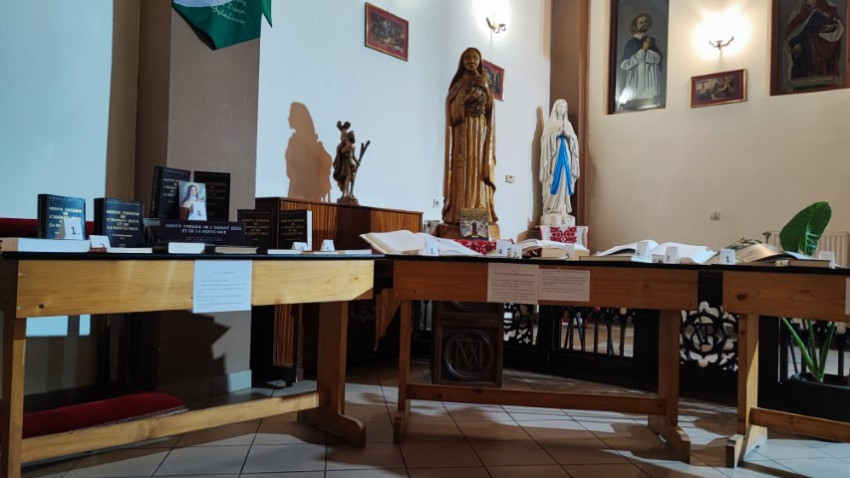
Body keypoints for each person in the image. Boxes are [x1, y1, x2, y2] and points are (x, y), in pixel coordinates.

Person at [442, 47, 498, 229]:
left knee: (478, 171)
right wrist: (465, 100)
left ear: (479, 61)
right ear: (462, 61)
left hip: (480, 132)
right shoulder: (458, 84)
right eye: (467, 58)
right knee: (462, 171)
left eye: (474, 58)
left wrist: (485, 92)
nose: (471, 61)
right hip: (462, 132)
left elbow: (490, 109)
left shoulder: (484, 81)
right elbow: (451, 109)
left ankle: (476, 220)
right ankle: (457, 216)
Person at [784, 0, 845, 86]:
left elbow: (838, 25)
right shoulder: (799, 9)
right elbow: (792, 31)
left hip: (823, 43)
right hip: (804, 48)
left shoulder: (827, 6)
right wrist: (795, 42)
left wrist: (832, 27)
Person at [539, 99, 580, 225]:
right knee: (554, 176)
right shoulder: (550, 124)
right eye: (560, 106)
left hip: (565, 153)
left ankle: (563, 206)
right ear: (556, 109)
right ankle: (552, 206)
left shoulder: (568, 124)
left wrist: (568, 135)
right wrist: (556, 134)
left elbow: (574, 140)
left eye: (564, 107)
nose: (562, 109)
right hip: (554, 155)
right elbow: (544, 141)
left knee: (565, 178)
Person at [617, 13, 663, 109]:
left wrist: (648, 53)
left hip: (651, 93)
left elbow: (658, 59)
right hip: (636, 92)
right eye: (641, 23)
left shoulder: (651, 41)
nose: (644, 24)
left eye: (645, 22)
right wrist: (643, 51)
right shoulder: (631, 43)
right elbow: (624, 65)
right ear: (635, 26)